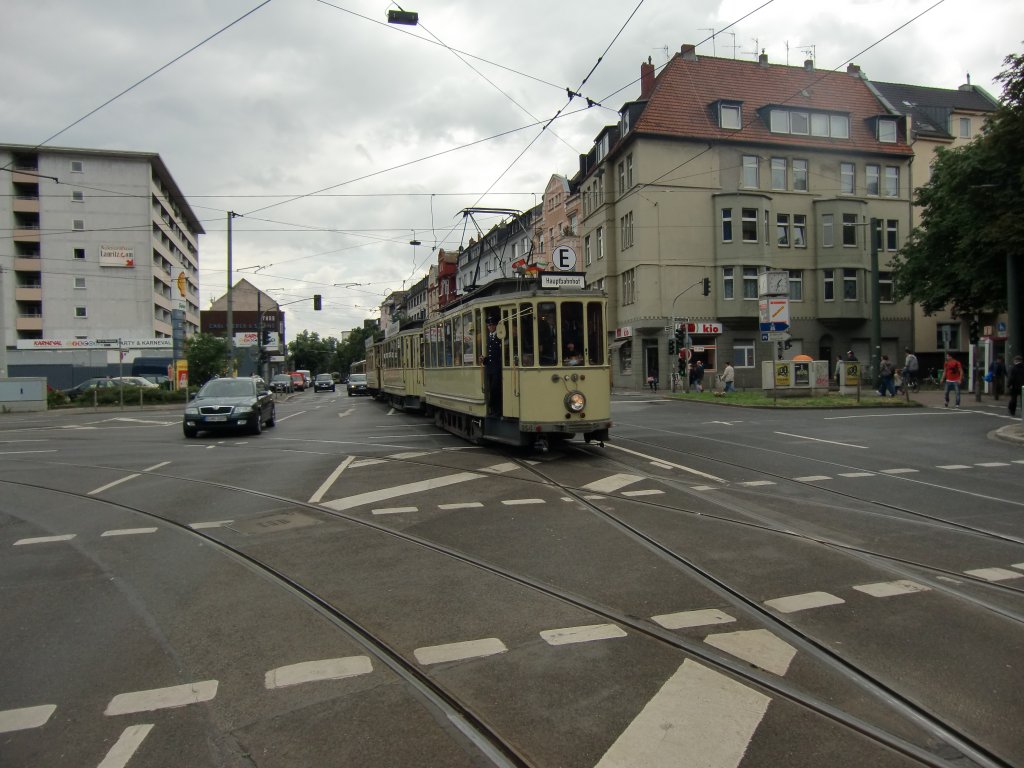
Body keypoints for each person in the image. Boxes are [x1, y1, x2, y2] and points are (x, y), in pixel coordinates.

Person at [483, 315, 502, 416]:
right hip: (490, 368)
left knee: (496, 389)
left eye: (491, 325)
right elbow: (490, 354)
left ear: (495, 326)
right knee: (491, 388)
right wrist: (485, 360)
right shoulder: (489, 337)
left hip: (497, 368)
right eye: (488, 325)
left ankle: (497, 410)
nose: (490, 327)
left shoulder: (499, 336)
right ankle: (493, 409)